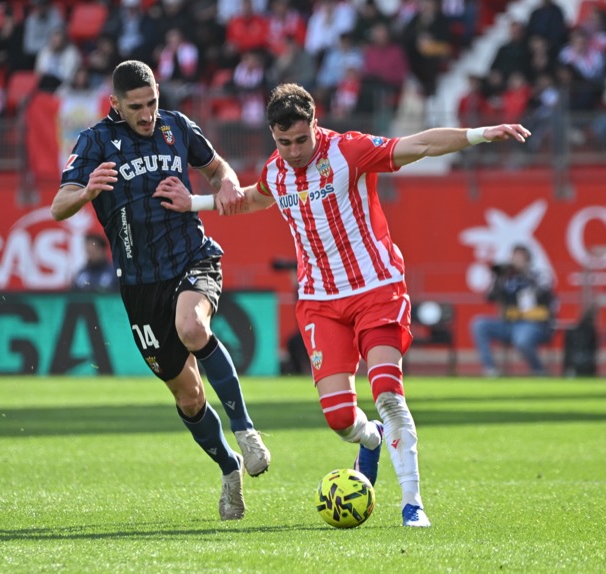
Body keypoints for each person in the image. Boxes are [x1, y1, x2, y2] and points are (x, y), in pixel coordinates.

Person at [152, 82, 531, 527]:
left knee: (388, 394)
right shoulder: (276, 171)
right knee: (339, 419)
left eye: (301, 139)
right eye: (284, 142)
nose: (294, 151)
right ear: (273, 135)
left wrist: (480, 134)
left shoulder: (349, 151)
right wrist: (194, 203)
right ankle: (370, 440)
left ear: (316, 123)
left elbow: (421, 144)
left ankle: (412, 503)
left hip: (377, 288)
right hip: (320, 303)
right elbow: (252, 198)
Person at [50, 60, 271, 521]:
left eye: (152, 102)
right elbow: (58, 206)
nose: (148, 114)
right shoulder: (94, 142)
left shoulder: (177, 126)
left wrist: (227, 185)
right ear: (115, 104)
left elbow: (218, 169)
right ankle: (229, 467)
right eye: (136, 107)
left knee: (192, 327)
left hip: (192, 257)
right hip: (140, 285)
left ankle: (247, 432)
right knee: (188, 396)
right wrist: (86, 191)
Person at [471, 244, 556, 377]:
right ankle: (490, 369)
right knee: (480, 324)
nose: (516, 261)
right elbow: (489, 297)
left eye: (520, 258)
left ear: (528, 260)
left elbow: (545, 293)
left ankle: (538, 370)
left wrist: (524, 273)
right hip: (509, 323)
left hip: (532, 323)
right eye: (514, 257)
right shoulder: (507, 278)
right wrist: (498, 278)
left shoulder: (539, 275)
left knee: (522, 339)